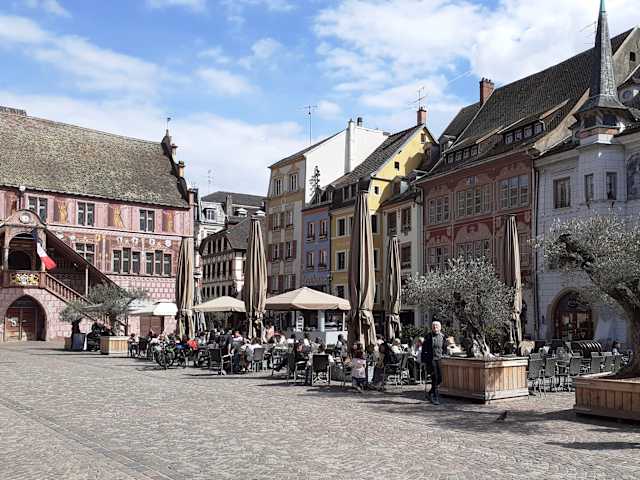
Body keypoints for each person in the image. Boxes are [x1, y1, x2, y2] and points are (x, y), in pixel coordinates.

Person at [422, 321, 448, 405]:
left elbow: (444, 347)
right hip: (431, 360)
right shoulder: (428, 336)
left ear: (440, 328)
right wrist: (424, 361)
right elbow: (424, 349)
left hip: (439, 359)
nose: (435, 328)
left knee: (440, 379)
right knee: (435, 378)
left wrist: (445, 354)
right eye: (433, 327)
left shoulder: (443, 336)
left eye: (437, 326)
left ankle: (430, 393)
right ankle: (435, 397)